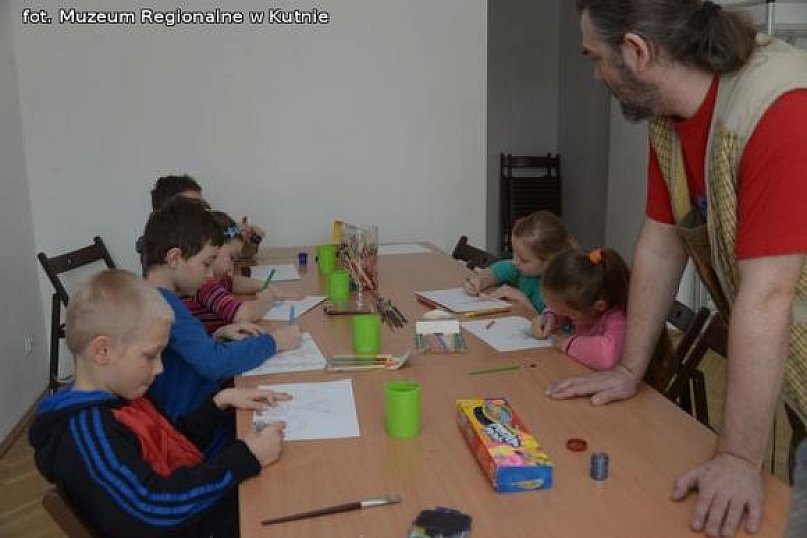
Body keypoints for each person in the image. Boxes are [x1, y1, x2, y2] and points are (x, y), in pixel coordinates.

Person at [548, 2, 807, 537]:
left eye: (595, 57)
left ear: (636, 52)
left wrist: (737, 457)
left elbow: (768, 296)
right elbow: (662, 244)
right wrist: (629, 368)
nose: (596, 75)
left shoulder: (782, 110)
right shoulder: (670, 121)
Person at [29, 269, 289, 537]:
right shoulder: (88, 433)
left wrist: (219, 403)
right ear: (102, 351)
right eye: (150, 355)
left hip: (200, 514)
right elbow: (153, 507)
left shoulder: (124, 399)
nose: (160, 368)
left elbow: (169, 446)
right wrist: (244, 457)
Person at [141, 198, 301, 422]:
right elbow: (214, 364)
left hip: (202, 408)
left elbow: (184, 355)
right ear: (174, 258)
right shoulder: (165, 307)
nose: (209, 275)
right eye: (206, 264)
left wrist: (215, 337)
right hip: (202, 421)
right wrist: (274, 342)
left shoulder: (150, 297)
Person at [185, 210, 302, 334]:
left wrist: (268, 287)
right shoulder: (203, 283)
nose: (232, 266)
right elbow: (242, 315)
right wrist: (265, 301)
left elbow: (233, 283)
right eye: (231, 257)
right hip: (211, 342)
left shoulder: (214, 277)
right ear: (214, 248)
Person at [533, 248, 629, 370]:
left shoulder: (618, 319)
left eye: (569, 315)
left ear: (599, 306)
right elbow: (563, 310)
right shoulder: (582, 306)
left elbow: (608, 357)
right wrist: (550, 318)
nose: (567, 317)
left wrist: (568, 344)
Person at [463, 210, 574, 314]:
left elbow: (549, 326)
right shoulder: (521, 269)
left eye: (523, 259)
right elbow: (496, 271)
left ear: (549, 262)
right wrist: (480, 281)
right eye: (514, 253)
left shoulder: (563, 289)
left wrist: (520, 298)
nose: (515, 262)